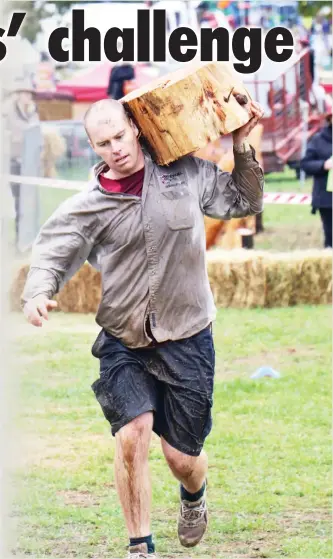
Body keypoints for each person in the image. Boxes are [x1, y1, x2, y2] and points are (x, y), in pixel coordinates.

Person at [22, 97, 265, 558]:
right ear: (93, 146)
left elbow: (244, 200)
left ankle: (194, 494)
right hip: (124, 339)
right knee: (132, 433)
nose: (114, 148)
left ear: (135, 128)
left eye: (119, 136)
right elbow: (51, 253)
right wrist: (37, 293)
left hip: (189, 336)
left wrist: (241, 143)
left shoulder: (187, 174)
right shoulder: (88, 207)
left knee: (182, 459)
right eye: (103, 143)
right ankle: (140, 547)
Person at [2, 76, 40, 251]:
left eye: (30, 93)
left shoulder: (32, 110)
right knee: (17, 201)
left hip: (28, 162)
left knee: (28, 201)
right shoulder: (6, 110)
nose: (28, 97)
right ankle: (18, 239)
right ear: (18, 94)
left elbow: (36, 131)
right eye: (25, 93)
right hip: (12, 161)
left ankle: (25, 238)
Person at [300, 108, 332, 248]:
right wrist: (323, 165)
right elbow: (305, 164)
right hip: (327, 199)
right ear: (329, 119)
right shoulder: (318, 140)